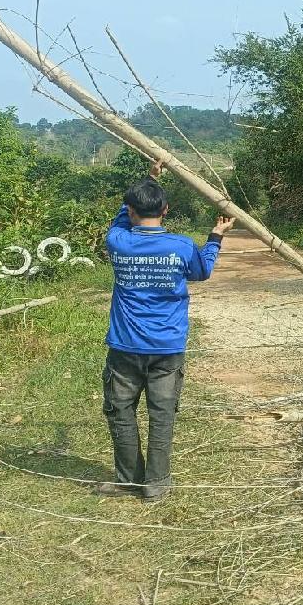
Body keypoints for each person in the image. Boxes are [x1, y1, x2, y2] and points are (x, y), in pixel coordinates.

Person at [94, 158, 235, 502]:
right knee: (162, 415)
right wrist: (215, 237)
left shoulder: (117, 241)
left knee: (120, 412)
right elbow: (202, 271)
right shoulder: (181, 246)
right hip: (167, 346)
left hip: (125, 347)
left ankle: (129, 480)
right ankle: (156, 485)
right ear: (166, 210)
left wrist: (149, 179)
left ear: (131, 211)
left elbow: (121, 219)